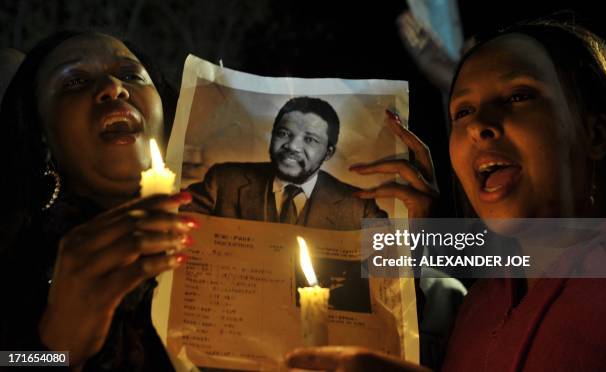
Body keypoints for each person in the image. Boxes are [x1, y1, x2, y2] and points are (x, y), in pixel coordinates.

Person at [286, 19, 606, 372]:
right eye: (463, 111)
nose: (476, 125)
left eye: (519, 96)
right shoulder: (477, 306)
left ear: (596, 135)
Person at [0, 31, 194, 371]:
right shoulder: (13, 261)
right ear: (42, 134)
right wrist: (55, 349)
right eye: (74, 81)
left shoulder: (238, 218)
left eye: (132, 75)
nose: (113, 87)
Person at [187, 96, 388, 230]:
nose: (292, 146)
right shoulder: (223, 181)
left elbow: (398, 272)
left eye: (310, 139)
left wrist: (420, 215)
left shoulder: (358, 206)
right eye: (284, 133)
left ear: (328, 153)